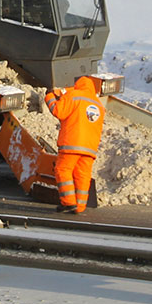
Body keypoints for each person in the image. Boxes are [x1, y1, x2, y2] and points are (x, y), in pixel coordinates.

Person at [44, 75, 106, 213]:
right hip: (90, 147)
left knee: (62, 170)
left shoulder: (74, 95)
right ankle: (80, 206)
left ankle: (68, 203)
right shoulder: (98, 104)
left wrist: (49, 97)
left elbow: (59, 111)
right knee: (83, 175)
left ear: (77, 85)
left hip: (72, 143)